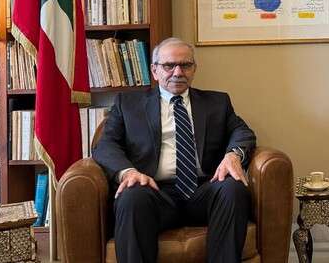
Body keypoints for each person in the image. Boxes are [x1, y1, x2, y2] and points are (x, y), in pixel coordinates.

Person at [92, 37, 256, 263]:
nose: (178, 72)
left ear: (194, 69)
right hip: (154, 192)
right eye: (169, 65)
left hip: (204, 190)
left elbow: (242, 132)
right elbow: (105, 145)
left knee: (233, 188)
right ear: (155, 70)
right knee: (131, 196)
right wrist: (128, 172)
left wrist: (233, 155)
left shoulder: (217, 102)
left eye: (185, 65)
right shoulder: (128, 104)